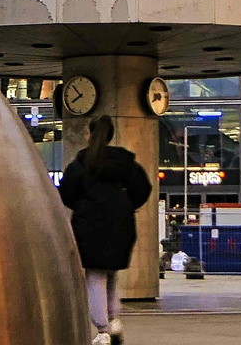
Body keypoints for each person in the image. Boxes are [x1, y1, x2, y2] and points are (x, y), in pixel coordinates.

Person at [59, 115, 152, 345]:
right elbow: (143, 188)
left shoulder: (83, 162)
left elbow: (67, 192)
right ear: (111, 135)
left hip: (89, 223)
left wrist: (82, 206)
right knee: (111, 272)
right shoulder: (125, 163)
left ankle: (102, 330)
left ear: (89, 134)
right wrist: (128, 206)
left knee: (95, 275)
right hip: (121, 223)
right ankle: (113, 320)